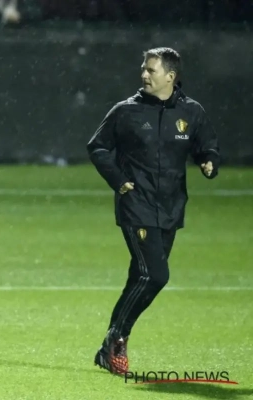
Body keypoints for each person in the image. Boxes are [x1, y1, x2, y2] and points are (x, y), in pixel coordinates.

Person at [86, 47, 220, 375]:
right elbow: (97, 146)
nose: (144, 75)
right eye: (144, 69)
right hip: (136, 205)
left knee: (141, 277)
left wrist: (209, 161)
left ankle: (109, 347)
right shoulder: (126, 111)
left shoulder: (192, 111)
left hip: (171, 207)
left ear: (170, 76)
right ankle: (117, 338)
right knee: (156, 275)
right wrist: (119, 180)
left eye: (151, 70)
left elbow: (206, 145)